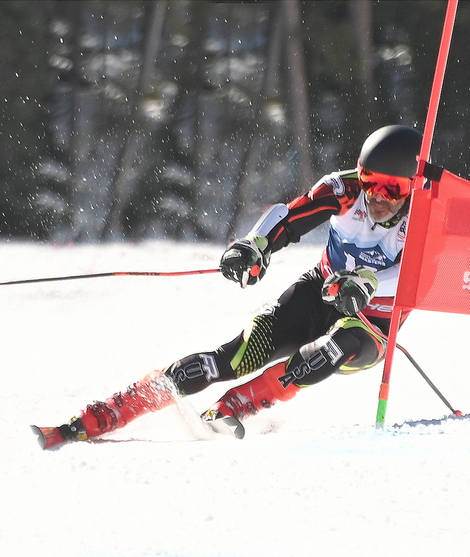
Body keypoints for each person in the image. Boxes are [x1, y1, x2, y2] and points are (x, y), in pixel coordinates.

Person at [33, 125, 422, 449]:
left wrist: (369, 283)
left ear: (412, 187)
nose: (377, 197)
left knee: (334, 350)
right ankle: (107, 412)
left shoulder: (427, 213)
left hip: (375, 318)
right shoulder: (345, 190)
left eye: (393, 190)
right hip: (321, 292)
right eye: (371, 183)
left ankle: (232, 407)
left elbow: (420, 274)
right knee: (231, 357)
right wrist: (255, 244)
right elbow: (288, 216)